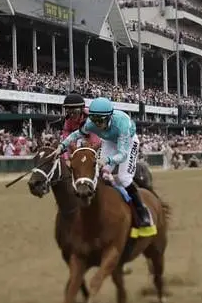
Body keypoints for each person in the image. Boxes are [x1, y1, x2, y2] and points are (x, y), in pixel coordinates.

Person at [55, 97, 155, 237]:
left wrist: (107, 160)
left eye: (101, 121)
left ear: (109, 117)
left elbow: (122, 155)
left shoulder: (122, 125)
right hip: (109, 141)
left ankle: (142, 212)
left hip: (127, 142)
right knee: (101, 173)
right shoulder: (91, 123)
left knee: (124, 177)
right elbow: (76, 134)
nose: (98, 125)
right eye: (95, 121)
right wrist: (62, 146)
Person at [60, 93, 101, 160]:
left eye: (75, 112)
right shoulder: (68, 120)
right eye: (69, 112)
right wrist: (67, 158)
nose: (72, 115)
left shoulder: (90, 118)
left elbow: (96, 142)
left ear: (82, 110)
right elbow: (66, 138)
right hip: (76, 139)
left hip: (95, 139)